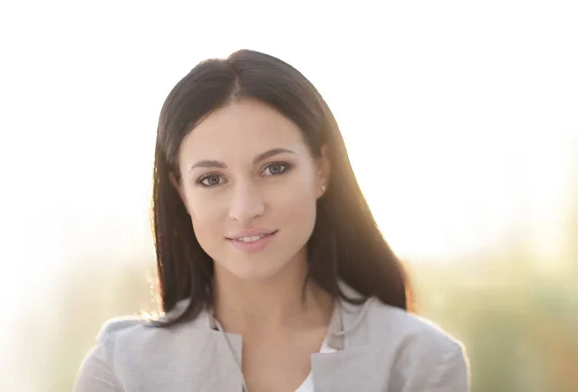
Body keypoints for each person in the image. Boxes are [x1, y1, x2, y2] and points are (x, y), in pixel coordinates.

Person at [74, 49, 469, 392]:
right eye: (212, 179)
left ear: (322, 168)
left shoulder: (420, 362)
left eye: (274, 168)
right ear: (182, 193)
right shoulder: (121, 368)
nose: (245, 208)